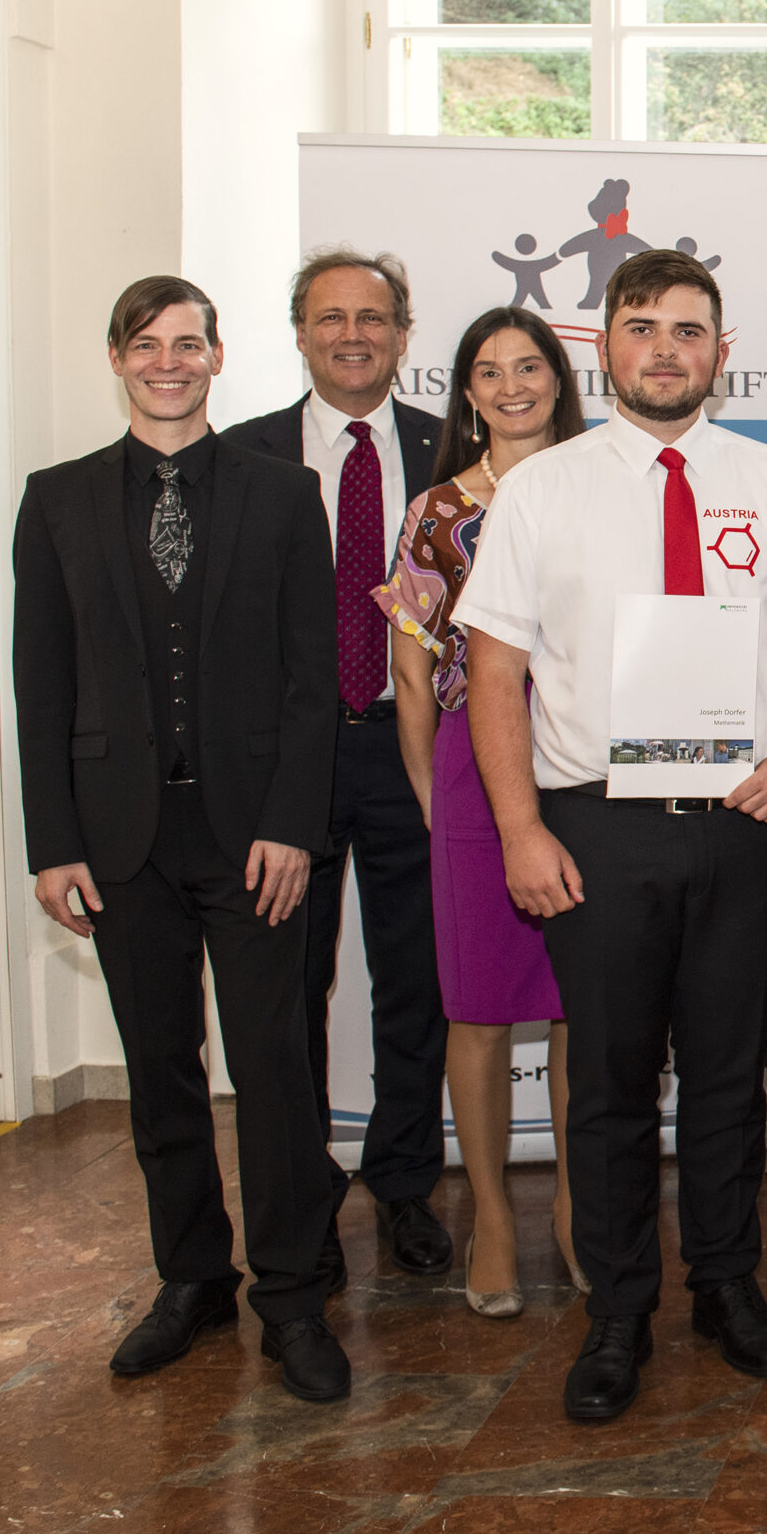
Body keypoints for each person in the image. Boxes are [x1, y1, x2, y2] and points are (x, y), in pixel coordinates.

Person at [458, 248, 767, 1420]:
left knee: (732, 1077)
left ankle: (729, 1287)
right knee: (611, 1086)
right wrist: (520, 828)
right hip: (596, 826)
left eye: (690, 329)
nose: (666, 349)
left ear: (721, 353)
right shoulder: (544, 489)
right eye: (643, 327)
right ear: (605, 346)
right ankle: (619, 1309)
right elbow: (493, 672)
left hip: (746, 821)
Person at [13, 277, 350, 1401]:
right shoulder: (53, 501)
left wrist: (296, 827)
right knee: (161, 1074)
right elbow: (41, 682)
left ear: (218, 358)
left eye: (189, 344)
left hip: (251, 838)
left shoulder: (282, 494)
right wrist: (52, 843)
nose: (169, 361)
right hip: (118, 844)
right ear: (118, 357)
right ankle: (192, 1280)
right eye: (148, 344)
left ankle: (293, 1297)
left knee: (273, 1074)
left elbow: (314, 683)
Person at [228, 249, 452, 1286]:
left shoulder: (451, 451)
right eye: (331, 318)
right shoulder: (246, 459)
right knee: (288, 990)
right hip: (290, 768)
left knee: (416, 981)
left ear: (405, 335)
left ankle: (405, 1184)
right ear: (301, 333)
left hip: (413, 750)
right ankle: (300, 1191)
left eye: (374, 318)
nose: (352, 335)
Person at [374, 306, 589, 1317]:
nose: (512, 385)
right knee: (478, 1011)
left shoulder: (605, 485)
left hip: (588, 758)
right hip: (473, 763)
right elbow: (412, 679)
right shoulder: (435, 511)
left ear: (559, 377)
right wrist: (431, 792)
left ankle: (575, 1211)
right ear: (465, 390)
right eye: (490, 370)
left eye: (531, 365)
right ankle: (495, 1219)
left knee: (585, 1007)